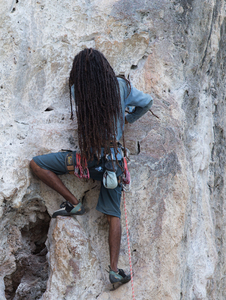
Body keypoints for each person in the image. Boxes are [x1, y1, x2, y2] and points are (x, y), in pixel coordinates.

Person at [30, 48, 152, 285]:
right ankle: (115, 270)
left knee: (37, 165)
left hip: (88, 161)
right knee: (113, 215)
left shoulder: (79, 91)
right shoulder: (121, 86)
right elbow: (147, 102)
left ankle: (74, 204)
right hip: (113, 165)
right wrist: (127, 119)